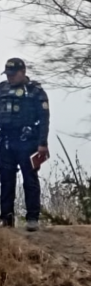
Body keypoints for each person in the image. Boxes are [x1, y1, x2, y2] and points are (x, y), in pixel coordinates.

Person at [0, 57, 50, 231]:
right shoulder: (1, 89)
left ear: (23, 72)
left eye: (13, 74)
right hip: (6, 141)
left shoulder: (35, 91)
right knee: (6, 180)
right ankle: (6, 219)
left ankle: (33, 219)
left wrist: (42, 143)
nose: (10, 77)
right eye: (8, 74)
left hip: (27, 142)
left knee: (30, 179)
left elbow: (44, 119)